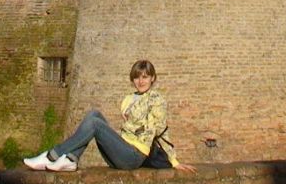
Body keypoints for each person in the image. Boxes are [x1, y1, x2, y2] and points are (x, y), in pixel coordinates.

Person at [23, 60, 196, 173]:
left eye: (145, 77)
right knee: (93, 114)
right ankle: (71, 159)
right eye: (137, 77)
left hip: (134, 156)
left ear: (152, 78)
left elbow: (161, 130)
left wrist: (174, 161)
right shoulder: (128, 99)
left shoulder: (157, 99)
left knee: (95, 124)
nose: (141, 81)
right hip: (122, 150)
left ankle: (53, 155)